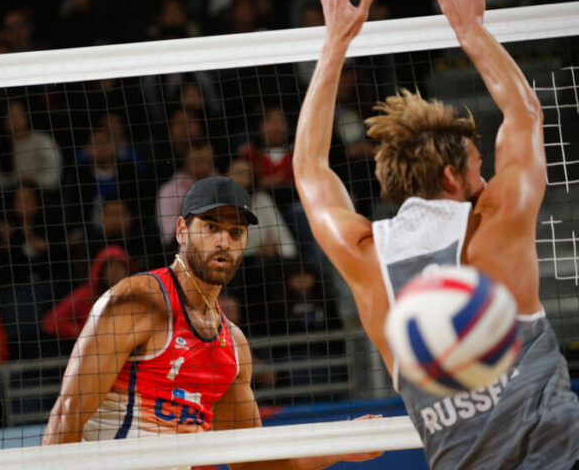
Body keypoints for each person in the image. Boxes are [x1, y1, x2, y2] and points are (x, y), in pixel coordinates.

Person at [292, 0, 579, 469]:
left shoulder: (366, 258)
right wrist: (470, 30)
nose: (485, 179)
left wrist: (335, 40)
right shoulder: (494, 225)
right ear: (451, 177)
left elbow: (309, 168)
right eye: (476, 166)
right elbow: (525, 113)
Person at [41, 176, 380, 468]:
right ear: (181, 230)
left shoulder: (232, 346)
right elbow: (66, 414)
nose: (224, 241)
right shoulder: (136, 301)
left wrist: (340, 446)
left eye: (236, 232)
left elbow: (251, 464)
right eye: (211, 227)